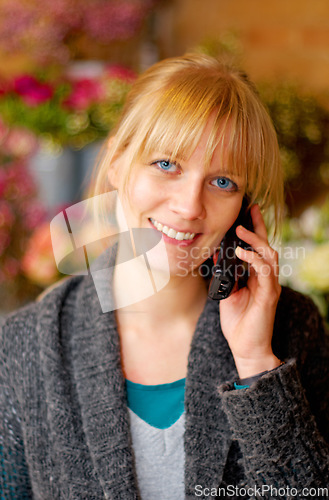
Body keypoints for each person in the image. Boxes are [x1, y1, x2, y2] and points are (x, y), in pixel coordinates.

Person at [1, 53, 329, 500]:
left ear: (244, 209)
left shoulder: (292, 328)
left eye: (223, 182)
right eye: (166, 164)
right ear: (117, 162)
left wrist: (255, 365)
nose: (190, 206)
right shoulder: (24, 347)